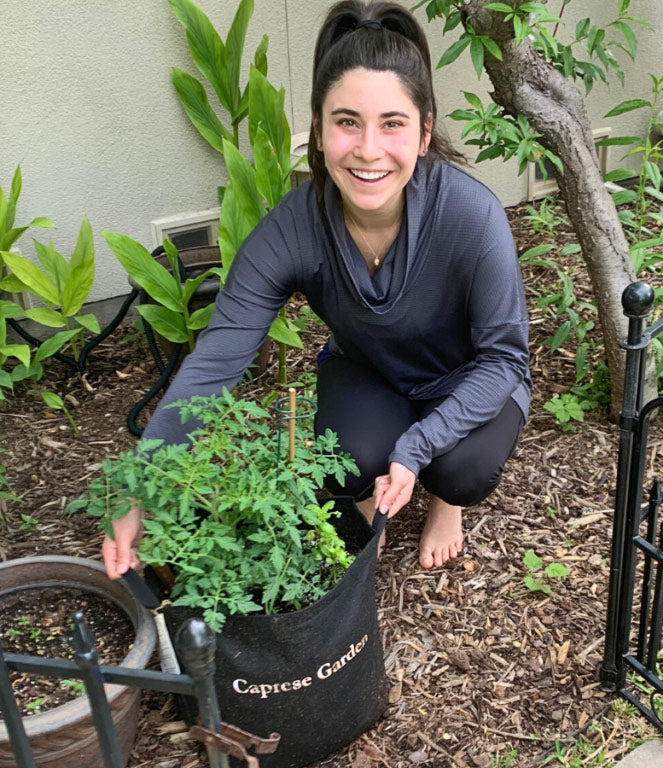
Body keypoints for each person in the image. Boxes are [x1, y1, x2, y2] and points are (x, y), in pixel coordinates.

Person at [103, 0, 531, 579]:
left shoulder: (471, 216)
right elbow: (215, 364)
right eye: (347, 121)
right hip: (371, 368)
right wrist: (143, 488)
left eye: (393, 123)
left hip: (468, 376)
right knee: (346, 460)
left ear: (425, 133)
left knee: (461, 468)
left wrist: (417, 446)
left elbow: (504, 358)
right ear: (320, 129)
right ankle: (365, 498)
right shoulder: (293, 229)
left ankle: (443, 502)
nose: (368, 149)